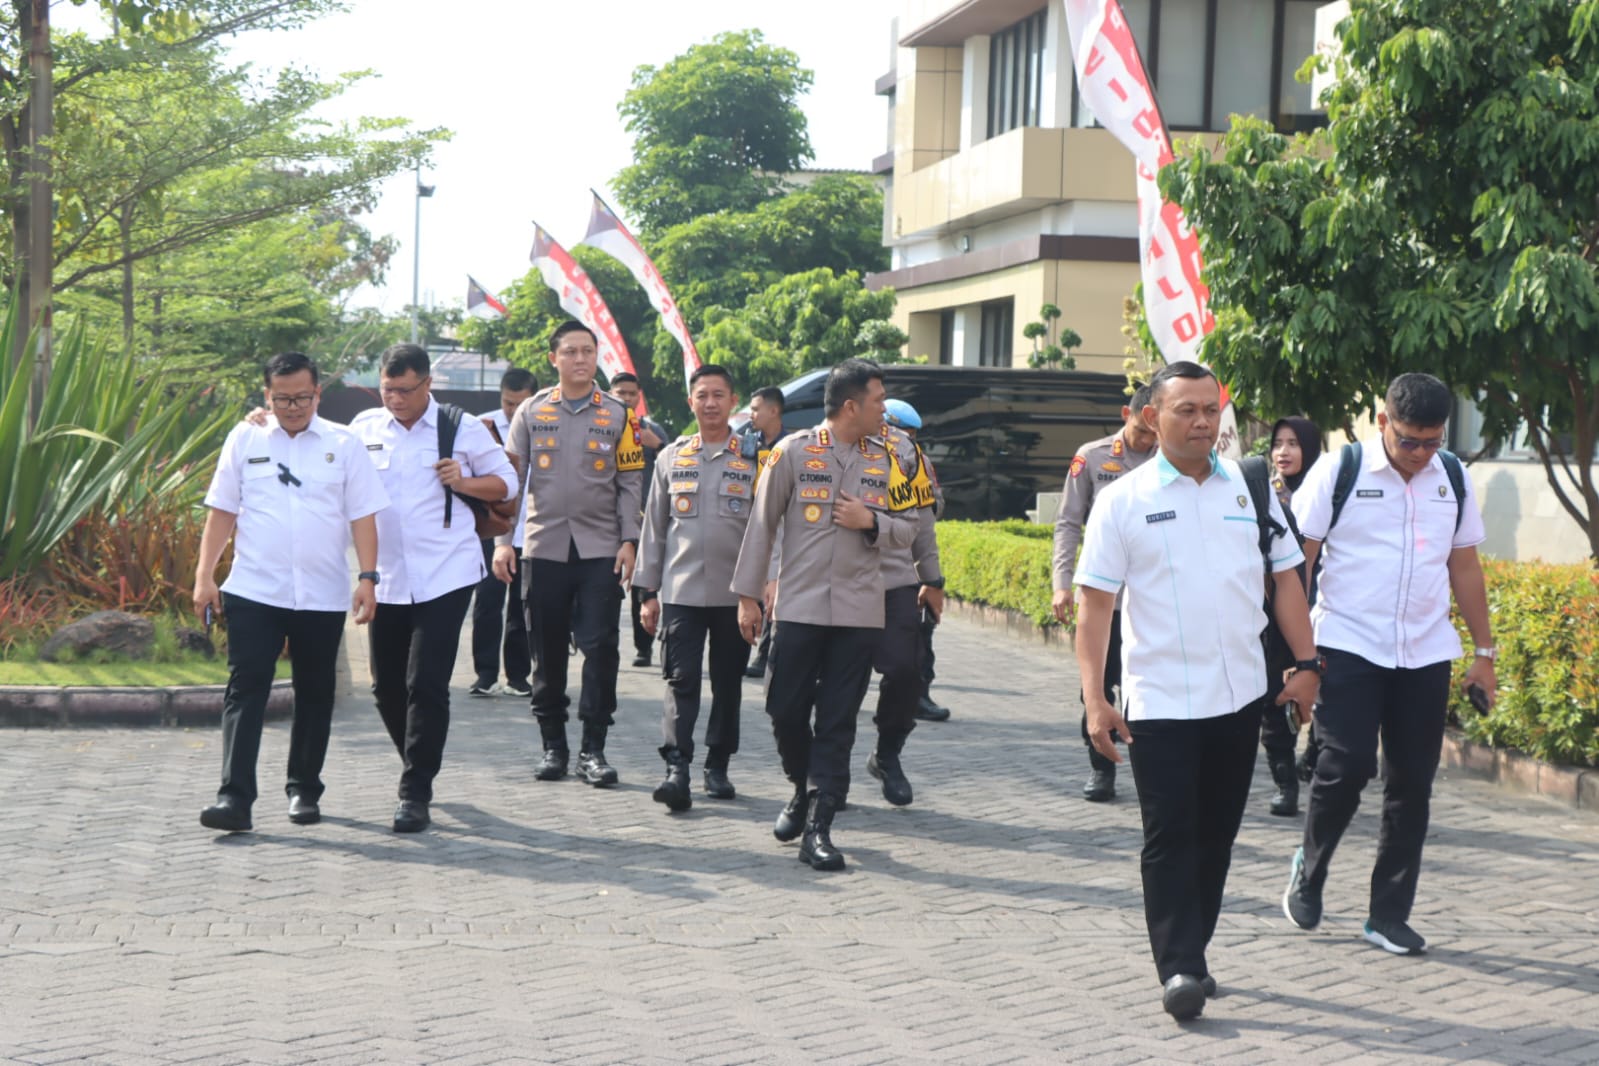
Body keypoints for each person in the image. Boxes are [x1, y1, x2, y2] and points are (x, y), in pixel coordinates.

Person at [1075, 361, 1320, 1020]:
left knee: (1215, 835)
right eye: (1186, 409)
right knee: (1169, 833)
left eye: (1210, 409)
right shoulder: (1121, 500)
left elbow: (1287, 582)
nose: (1202, 421)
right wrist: (1094, 698)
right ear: (1152, 416)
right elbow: (1094, 606)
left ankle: (1195, 947)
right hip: (1158, 700)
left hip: (1239, 696)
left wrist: (1306, 663)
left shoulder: (1249, 491)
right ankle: (1179, 963)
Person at [1283, 373, 1496, 957]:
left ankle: (1387, 915)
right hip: (1348, 643)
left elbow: (1466, 567)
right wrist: (1299, 658)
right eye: (1410, 442)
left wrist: (1484, 652)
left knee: (1412, 785)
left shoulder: (1451, 477)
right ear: (1383, 422)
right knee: (1345, 766)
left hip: (1425, 651)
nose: (1422, 454)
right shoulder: (1339, 470)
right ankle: (1312, 865)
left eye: (1433, 441)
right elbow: (1295, 563)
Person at [731, 359, 915, 872]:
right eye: (879, 399)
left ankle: (819, 824)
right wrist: (748, 598)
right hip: (799, 605)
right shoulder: (791, 452)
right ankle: (800, 787)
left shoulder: (893, 456)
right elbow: (761, 525)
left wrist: (871, 520)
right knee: (783, 709)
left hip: (859, 611)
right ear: (851, 406)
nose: (885, 408)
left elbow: (912, 527)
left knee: (837, 721)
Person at [194, 351, 389, 833]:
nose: (294, 406)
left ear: (318, 393)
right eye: (283, 399)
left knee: (316, 692)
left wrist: (368, 577)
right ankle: (234, 799)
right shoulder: (246, 437)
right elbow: (222, 510)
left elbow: (363, 514)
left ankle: (304, 788)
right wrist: (204, 577)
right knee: (246, 690)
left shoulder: (344, 445)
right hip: (255, 589)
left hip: (321, 593)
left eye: (303, 397)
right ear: (267, 396)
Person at [350, 343, 517, 833]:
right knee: (385, 688)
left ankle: (415, 791)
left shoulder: (459, 427)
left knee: (426, 683)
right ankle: (415, 760)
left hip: (447, 573)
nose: (395, 399)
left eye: (405, 390)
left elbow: (506, 483)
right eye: (387, 389)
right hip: (386, 576)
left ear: (427, 385)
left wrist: (464, 481)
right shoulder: (363, 428)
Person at [493, 321, 645, 788]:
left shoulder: (620, 415)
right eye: (571, 352)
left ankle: (593, 750)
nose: (581, 359)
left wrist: (629, 541)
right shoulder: (532, 412)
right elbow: (509, 481)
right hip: (543, 548)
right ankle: (553, 747)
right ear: (553, 358)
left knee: (601, 648)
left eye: (588, 351)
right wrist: (502, 543)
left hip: (600, 550)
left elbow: (630, 482)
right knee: (547, 651)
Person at [635, 365, 755, 810]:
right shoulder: (672, 457)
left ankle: (717, 765)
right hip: (681, 592)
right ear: (691, 402)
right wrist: (648, 592)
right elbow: (655, 531)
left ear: (732, 400)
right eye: (702, 395)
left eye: (718, 395)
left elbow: (767, 531)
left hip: (735, 595)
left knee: (728, 683)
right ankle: (677, 768)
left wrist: (761, 592)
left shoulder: (754, 457)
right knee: (680, 680)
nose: (710, 403)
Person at [1051, 383, 1158, 802]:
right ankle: (1102, 769)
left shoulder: (1173, 461)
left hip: (1152, 599)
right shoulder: (1092, 457)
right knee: (1098, 685)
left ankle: (1153, 768)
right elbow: (1068, 523)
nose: (1148, 439)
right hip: (1105, 599)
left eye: (1154, 431)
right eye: (1141, 429)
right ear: (1125, 414)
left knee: (1147, 686)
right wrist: (1062, 584)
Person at [863, 397, 945, 807]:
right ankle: (825, 773)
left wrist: (932, 579)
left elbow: (925, 522)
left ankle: (888, 753)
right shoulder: (818, 447)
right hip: (836, 583)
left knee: (906, 670)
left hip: (895, 579)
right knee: (835, 682)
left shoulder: (907, 456)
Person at [1256, 416, 1322, 817]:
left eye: (1294, 443)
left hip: (1329, 612)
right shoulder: (1262, 495)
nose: (1283, 452)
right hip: (1278, 612)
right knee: (1274, 698)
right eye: (1278, 443)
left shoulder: (1329, 493)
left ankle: (1313, 758)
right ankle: (1285, 783)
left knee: (1326, 698)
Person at [469, 367, 537, 698]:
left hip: (532, 529)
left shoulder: (546, 427)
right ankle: (484, 673)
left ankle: (519, 675)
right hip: (492, 532)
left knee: (522, 606)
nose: (513, 411)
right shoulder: (482, 427)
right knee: (486, 601)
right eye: (508, 403)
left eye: (520, 404)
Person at [609, 371, 670, 669]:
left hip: (646, 520)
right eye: (620, 393)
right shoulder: (602, 426)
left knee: (641, 586)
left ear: (639, 395)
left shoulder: (653, 430)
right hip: (607, 521)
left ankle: (643, 648)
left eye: (632, 393)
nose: (626, 399)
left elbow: (675, 467)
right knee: (604, 586)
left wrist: (656, 445)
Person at [742, 385, 786, 679]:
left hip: (780, 526)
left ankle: (765, 654)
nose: (751, 414)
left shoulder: (790, 445)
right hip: (749, 523)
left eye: (756, 409)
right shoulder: (748, 443)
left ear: (774, 411)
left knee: (773, 588)